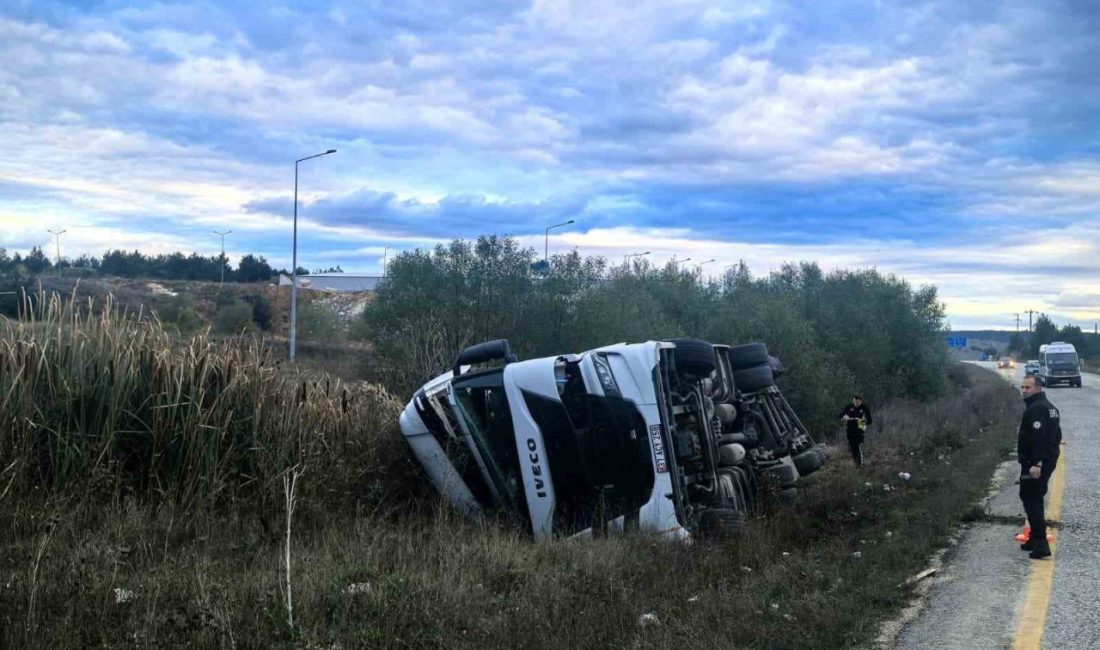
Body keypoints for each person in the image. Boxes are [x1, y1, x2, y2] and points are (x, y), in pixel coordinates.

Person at [1017, 374, 1061, 559]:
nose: (1024, 391)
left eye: (1028, 387)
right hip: (1047, 458)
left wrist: (1036, 463)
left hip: (1037, 461)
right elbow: (1056, 435)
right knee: (1035, 495)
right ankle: (1034, 538)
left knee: (1030, 498)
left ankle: (1041, 544)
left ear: (1038, 388)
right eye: (1023, 387)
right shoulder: (1049, 407)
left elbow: (1038, 438)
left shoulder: (1036, 409)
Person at [839, 395, 872, 467]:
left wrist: (864, 419)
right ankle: (855, 463)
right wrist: (844, 417)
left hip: (860, 429)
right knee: (852, 447)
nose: (855, 404)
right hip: (850, 429)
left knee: (858, 446)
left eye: (857, 402)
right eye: (854, 402)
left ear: (861, 401)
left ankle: (860, 464)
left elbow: (869, 421)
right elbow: (841, 415)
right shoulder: (849, 406)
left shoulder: (865, 408)